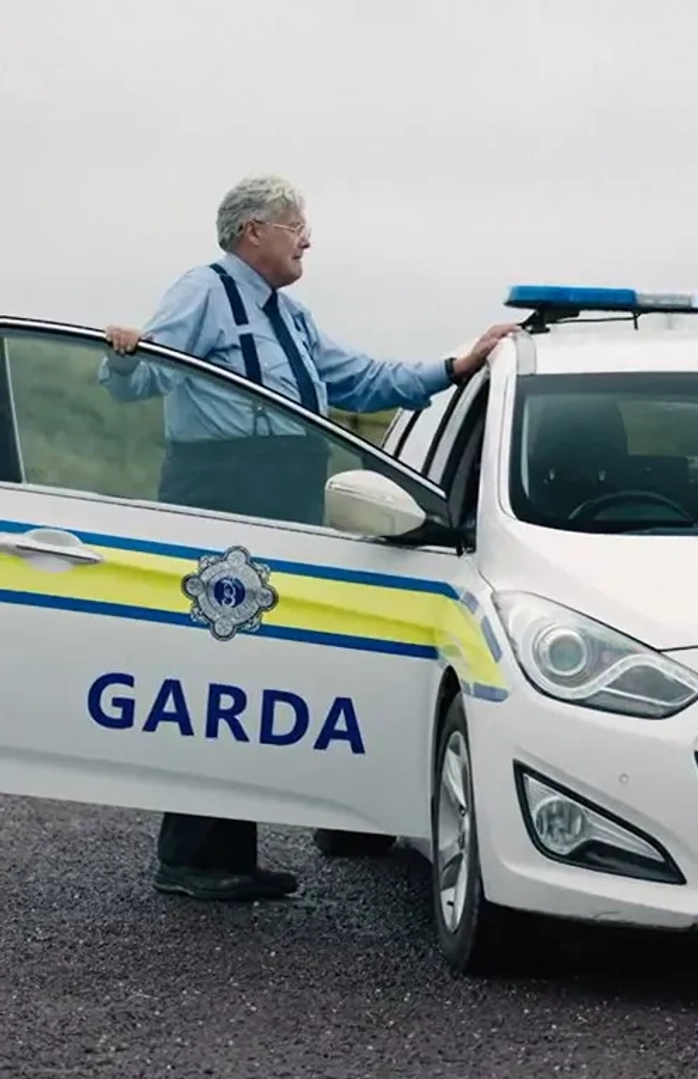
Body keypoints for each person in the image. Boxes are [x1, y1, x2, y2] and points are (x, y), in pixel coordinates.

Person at [99, 174, 518, 903]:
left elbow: (354, 379)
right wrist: (124, 352)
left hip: (283, 494)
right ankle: (191, 854)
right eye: (297, 227)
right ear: (252, 230)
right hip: (222, 494)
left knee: (261, 669)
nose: (308, 240)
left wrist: (456, 367)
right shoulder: (203, 290)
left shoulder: (290, 318)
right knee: (212, 667)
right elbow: (141, 378)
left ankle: (231, 847)